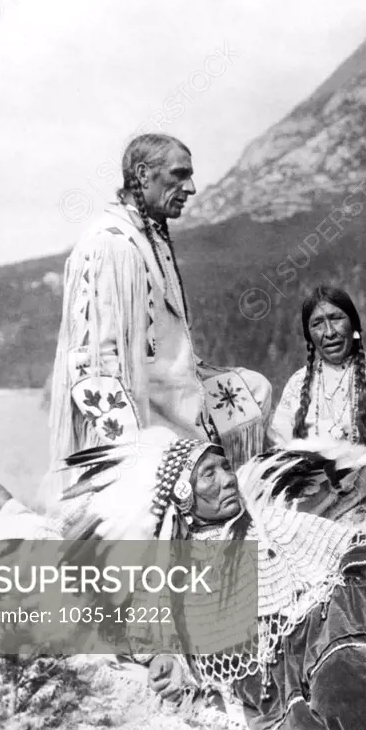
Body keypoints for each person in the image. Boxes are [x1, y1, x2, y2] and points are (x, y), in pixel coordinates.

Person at [0, 428, 366, 729]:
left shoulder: (269, 520)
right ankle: (2, 514)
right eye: (207, 475)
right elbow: (167, 641)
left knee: (344, 686)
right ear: (185, 498)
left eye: (223, 467)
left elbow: (349, 546)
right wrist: (170, 661)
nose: (224, 481)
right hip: (285, 675)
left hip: (339, 628)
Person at [42, 134, 272, 507]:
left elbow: (164, 341)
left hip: (175, 399)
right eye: (179, 175)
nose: (191, 188)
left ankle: (238, 493)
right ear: (143, 175)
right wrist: (132, 447)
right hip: (141, 416)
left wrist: (205, 373)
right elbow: (92, 360)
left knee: (252, 389)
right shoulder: (110, 245)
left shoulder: (153, 239)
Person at [268, 286, 366, 446]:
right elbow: (281, 444)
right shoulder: (298, 384)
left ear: (353, 324)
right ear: (309, 335)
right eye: (317, 324)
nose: (329, 333)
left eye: (336, 318)